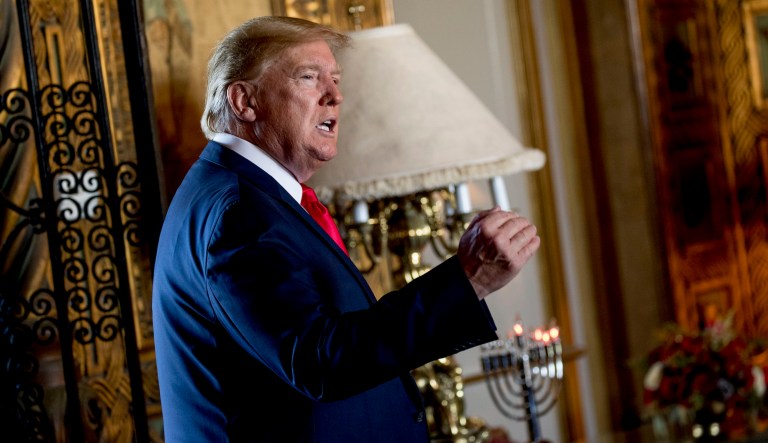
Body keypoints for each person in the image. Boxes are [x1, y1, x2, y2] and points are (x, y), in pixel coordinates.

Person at [152, 16, 541, 442]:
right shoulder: (238, 213)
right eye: (309, 78)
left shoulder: (252, 195)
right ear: (245, 101)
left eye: (335, 80)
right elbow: (321, 360)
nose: (335, 96)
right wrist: (468, 280)